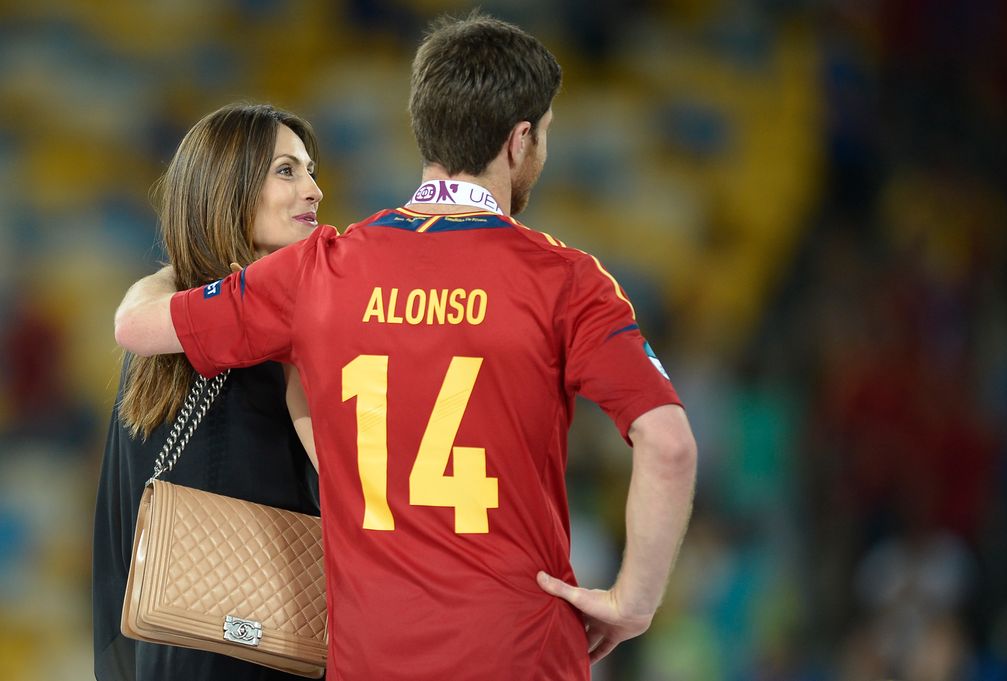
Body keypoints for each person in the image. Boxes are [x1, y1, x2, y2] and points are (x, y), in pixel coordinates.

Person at [114, 13, 698, 681]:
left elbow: (137, 329)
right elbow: (669, 444)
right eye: (545, 135)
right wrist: (632, 602)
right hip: (520, 654)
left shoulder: (318, 270)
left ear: (425, 128)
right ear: (519, 141)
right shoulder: (567, 280)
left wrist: (174, 269)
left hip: (373, 660)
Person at [93, 103, 325, 681]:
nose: (314, 190)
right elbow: (344, 478)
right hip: (262, 636)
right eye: (287, 171)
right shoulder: (271, 327)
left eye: (310, 170)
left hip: (170, 635)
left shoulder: (157, 324)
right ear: (227, 189)